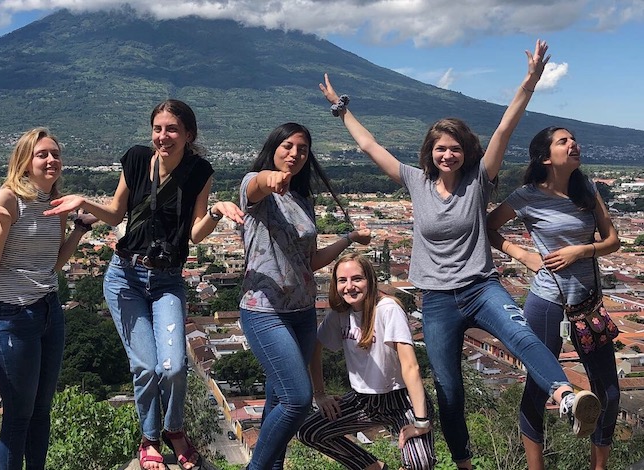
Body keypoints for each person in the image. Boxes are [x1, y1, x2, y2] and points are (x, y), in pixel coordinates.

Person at [320, 40, 600, 469]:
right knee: (449, 388)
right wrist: (342, 110)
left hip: (480, 287)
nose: (447, 154)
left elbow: (505, 128)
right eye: (439, 149)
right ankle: (464, 462)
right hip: (435, 300)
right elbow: (371, 147)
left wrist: (528, 83)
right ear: (430, 154)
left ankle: (566, 396)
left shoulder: (479, 179)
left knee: (521, 336)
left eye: (454, 148)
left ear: (465, 151)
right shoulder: (415, 181)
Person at [43, 99, 243, 470]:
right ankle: (150, 438)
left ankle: (175, 429)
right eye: (158, 129)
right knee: (147, 366)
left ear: (188, 135)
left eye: (171, 130)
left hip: (167, 280)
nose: (163, 137)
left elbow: (196, 234)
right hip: (126, 276)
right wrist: (85, 202)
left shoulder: (200, 171)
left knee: (174, 366)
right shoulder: (136, 159)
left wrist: (215, 211)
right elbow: (116, 213)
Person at [239, 122, 372, 470]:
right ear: (273, 148)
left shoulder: (303, 201)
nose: (294, 153)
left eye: (302, 148)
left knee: (277, 399)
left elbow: (310, 261)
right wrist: (269, 179)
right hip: (264, 310)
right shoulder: (256, 187)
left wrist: (348, 238)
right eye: (287, 146)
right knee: (297, 399)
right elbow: (255, 187)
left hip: (301, 310)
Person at [487, 126, 621, 470]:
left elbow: (612, 241)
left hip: (588, 304)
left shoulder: (587, 191)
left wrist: (581, 250)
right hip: (547, 301)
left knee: (608, 393)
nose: (573, 144)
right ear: (546, 157)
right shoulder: (527, 195)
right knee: (538, 387)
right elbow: (489, 227)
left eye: (573, 139)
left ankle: (599, 466)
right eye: (564, 141)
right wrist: (521, 254)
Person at [0, 128, 98, 470]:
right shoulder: (5, 199)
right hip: (12, 315)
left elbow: (54, 263)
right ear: (24, 161)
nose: (51, 160)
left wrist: (79, 229)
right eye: (42, 154)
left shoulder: (55, 205)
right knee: (18, 415)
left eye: (55, 154)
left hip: (48, 311)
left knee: (42, 411)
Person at [297, 253, 436, 470]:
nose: (349, 287)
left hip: (401, 400)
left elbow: (410, 366)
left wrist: (420, 422)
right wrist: (320, 394)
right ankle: (374, 467)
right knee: (310, 432)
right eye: (343, 280)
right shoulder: (339, 314)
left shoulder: (388, 309)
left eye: (357, 279)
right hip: (363, 402)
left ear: (370, 280)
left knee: (421, 465)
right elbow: (316, 346)